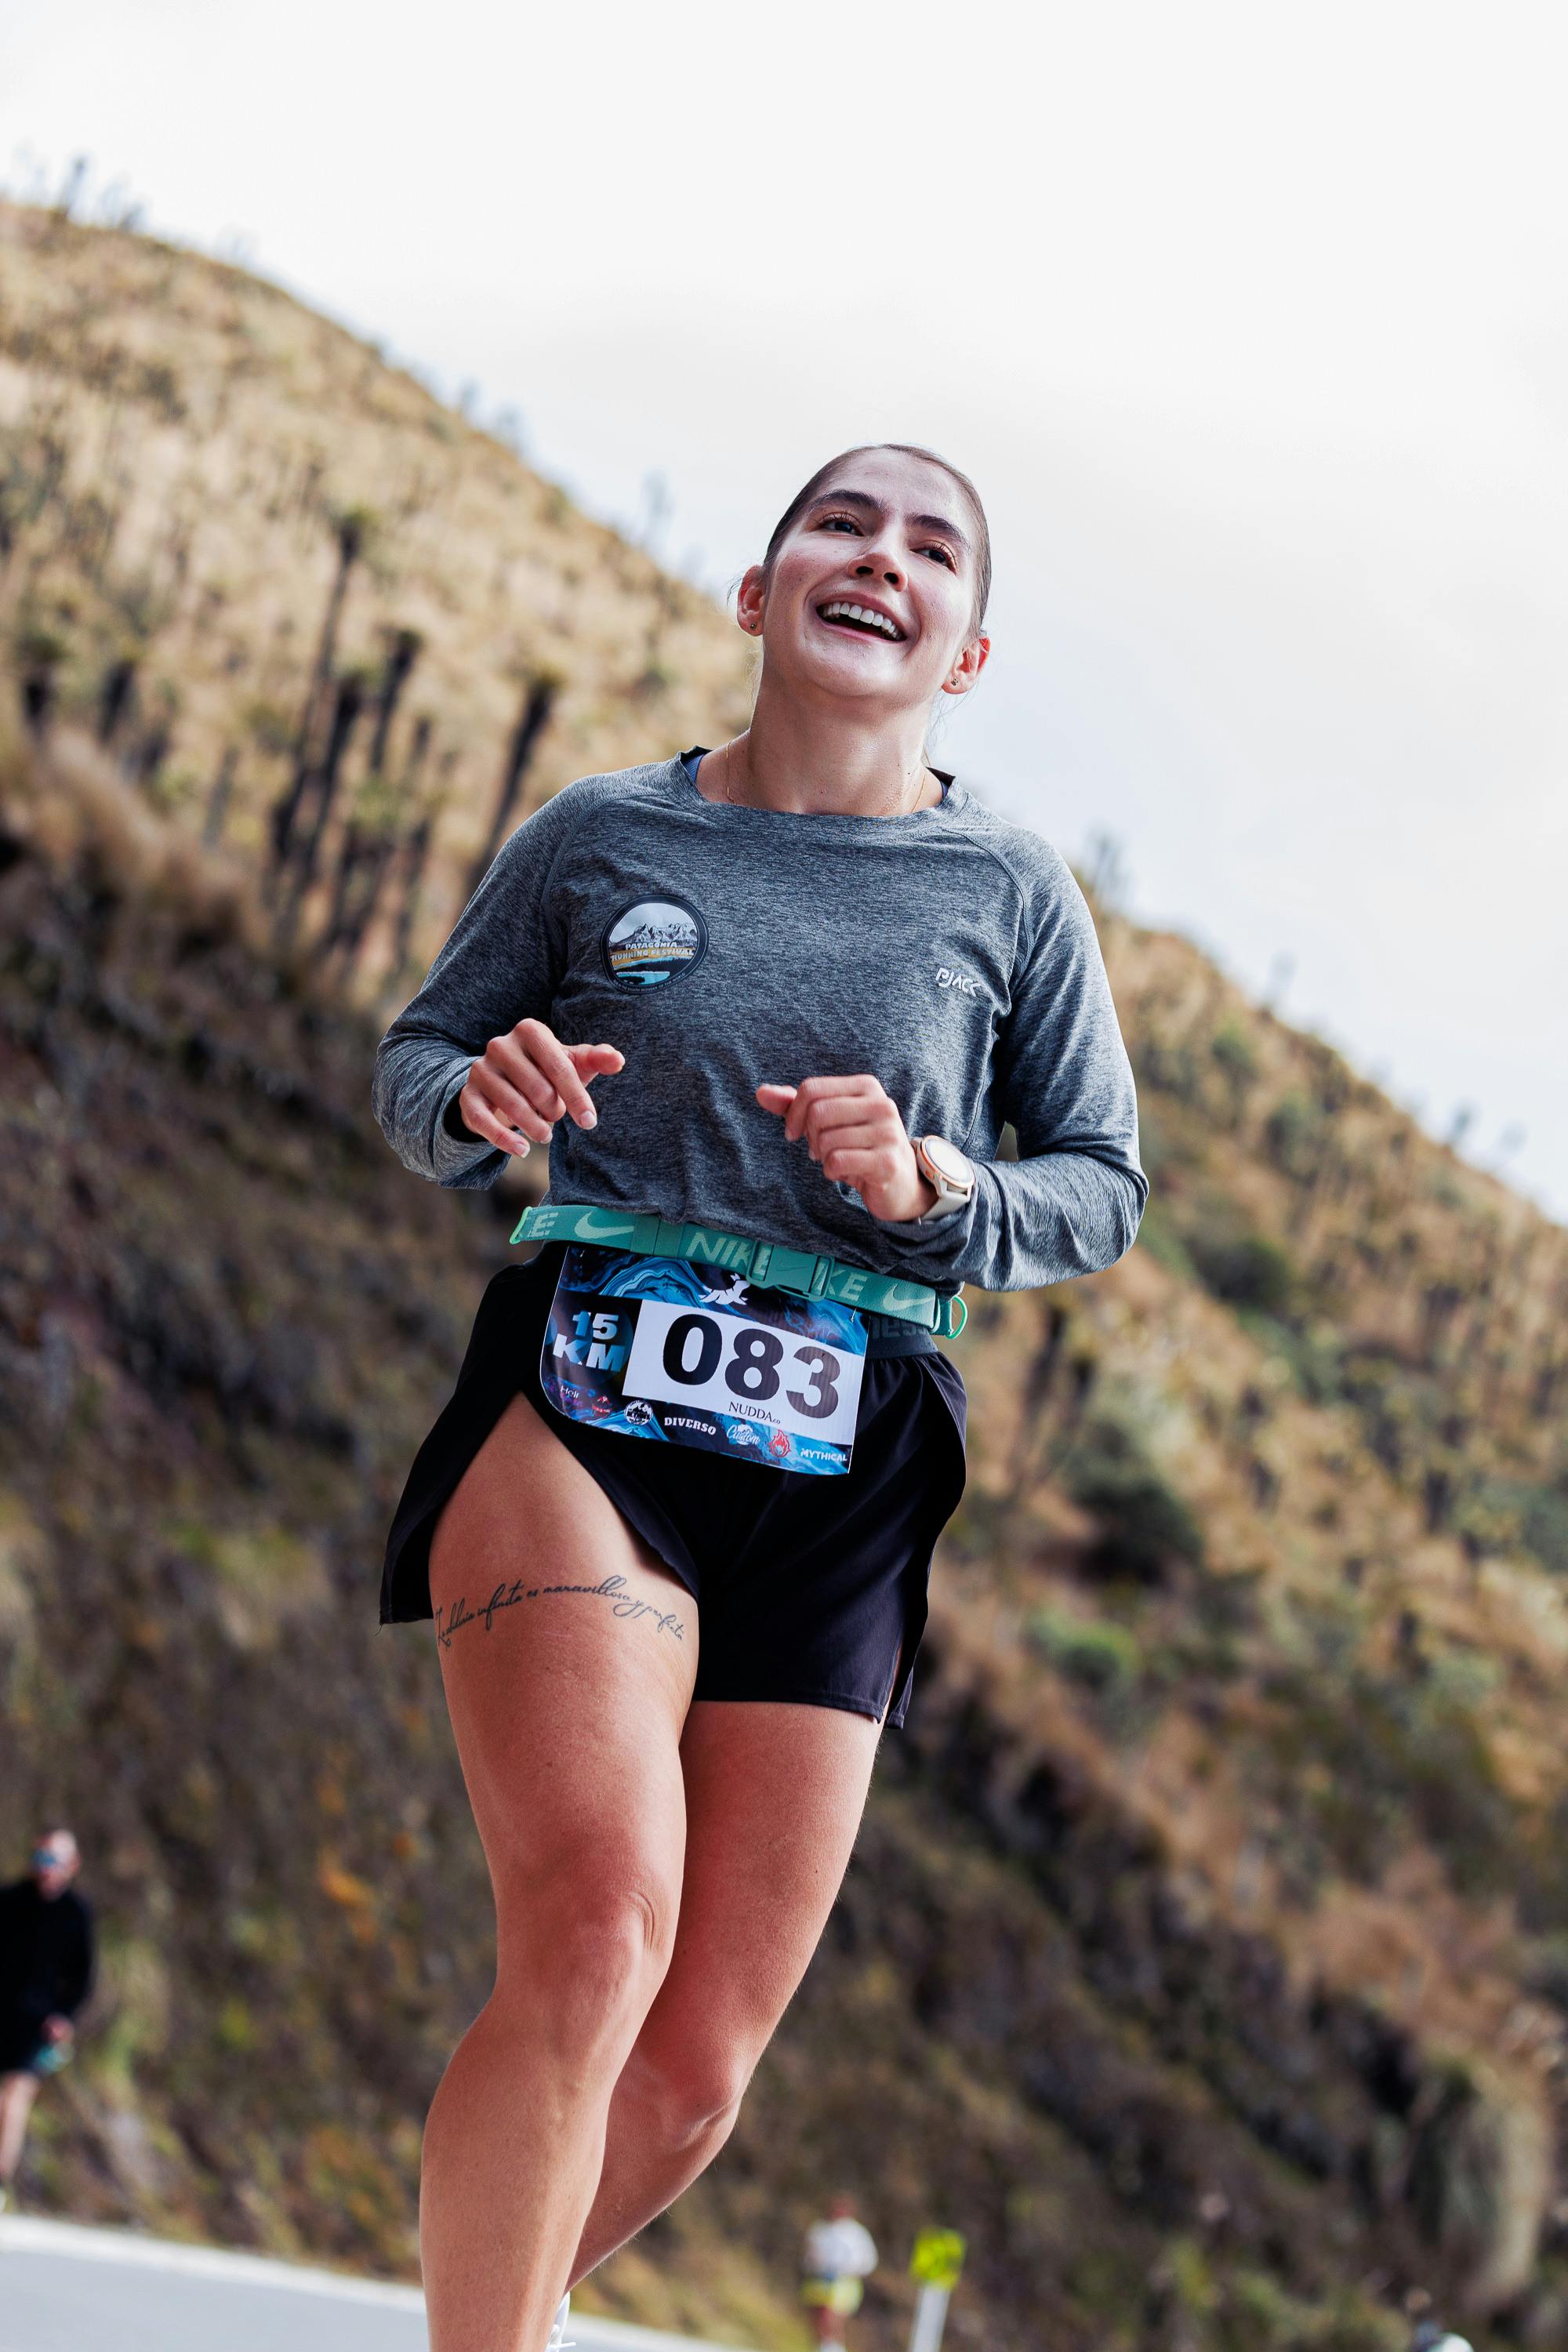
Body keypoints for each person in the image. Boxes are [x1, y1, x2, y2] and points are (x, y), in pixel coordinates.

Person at [372, 441, 1146, 2352]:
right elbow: (417, 1063)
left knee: (698, 2063)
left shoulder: (1004, 887)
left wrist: (935, 1185)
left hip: (849, 1446)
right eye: (837, 522)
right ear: (758, 590)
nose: (877, 555)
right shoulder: (596, 836)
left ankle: (485, 2313)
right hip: (588, 1388)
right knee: (598, 1919)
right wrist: (478, 1099)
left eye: (929, 544)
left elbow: (1098, 1185)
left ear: (963, 651)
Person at [0, 1829, 95, 2212]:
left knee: (13, 2100)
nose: (44, 1870)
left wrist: (64, 2017)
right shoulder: (9, 1900)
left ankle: (1, 2179)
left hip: (37, 2025)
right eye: (40, 1860)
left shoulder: (76, 1914)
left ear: (71, 1866)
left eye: (53, 1862)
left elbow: (83, 1977)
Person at [801, 2196, 878, 2348]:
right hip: (818, 2280)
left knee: (831, 2320)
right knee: (817, 2321)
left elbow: (868, 2261)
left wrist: (850, 2269)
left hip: (843, 2282)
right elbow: (809, 2255)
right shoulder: (820, 2229)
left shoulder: (856, 2233)